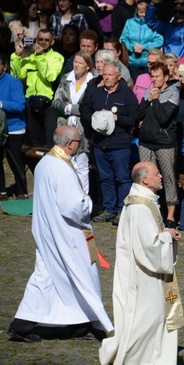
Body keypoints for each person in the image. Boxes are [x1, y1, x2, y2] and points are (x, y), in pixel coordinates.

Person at [7, 126, 113, 342]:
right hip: (67, 234)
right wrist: (88, 200)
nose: (79, 144)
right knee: (83, 275)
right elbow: (73, 207)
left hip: (48, 230)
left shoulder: (45, 162)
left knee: (46, 276)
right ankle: (97, 322)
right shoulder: (62, 169)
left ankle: (29, 323)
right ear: (70, 144)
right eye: (77, 141)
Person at [99, 161, 183, 365]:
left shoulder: (145, 201)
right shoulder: (139, 206)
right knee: (147, 318)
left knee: (154, 318)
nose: (161, 177)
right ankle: (129, 360)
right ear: (145, 179)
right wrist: (168, 236)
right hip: (142, 273)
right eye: (157, 174)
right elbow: (148, 246)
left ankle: (151, 362)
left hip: (147, 271)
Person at [82, 61, 139, 224]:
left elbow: (133, 119)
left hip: (119, 145)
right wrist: (95, 118)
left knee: (122, 178)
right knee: (105, 178)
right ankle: (109, 209)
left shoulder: (127, 95)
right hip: (99, 144)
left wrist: (115, 118)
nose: (106, 77)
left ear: (119, 77)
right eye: (104, 74)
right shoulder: (96, 93)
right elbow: (85, 110)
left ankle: (123, 210)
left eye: (110, 75)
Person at [134, 61, 180, 228]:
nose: (154, 79)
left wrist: (155, 100)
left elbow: (163, 118)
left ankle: (171, 216)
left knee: (168, 177)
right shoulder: (149, 91)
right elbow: (137, 116)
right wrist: (147, 100)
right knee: (147, 178)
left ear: (166, 77)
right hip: (146, 141)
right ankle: (151, 211)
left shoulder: (173, 93)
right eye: (152, 76)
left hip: (165, 142)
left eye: (157, 76)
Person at [10, 29, 64, 148]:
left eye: (47, 40)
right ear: (35, 40)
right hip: (32, 101)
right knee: (35, 143)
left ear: (52, 42)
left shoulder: (57, 57)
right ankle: (36, 166)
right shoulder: (30, 58)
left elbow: (50, 77)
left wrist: (40, 57)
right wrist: (16, 56)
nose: (43, 42)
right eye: (40, 39)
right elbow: (16, 77)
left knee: (50, 142)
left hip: (49, 103)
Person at [49, 51, 95, 190]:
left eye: (80, 63)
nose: (76, 65)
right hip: (65, 127)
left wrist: (71, 107)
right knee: (65, 164)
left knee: (81, 165)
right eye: (75, 61)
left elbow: (90, 107)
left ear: (87, 66)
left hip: (83, 130)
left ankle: (83, 200)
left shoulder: (93, 82)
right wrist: (68, 108)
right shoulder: (65, 79)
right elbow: (56, 102)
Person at [0, 54, 28, 200]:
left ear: (4, 66)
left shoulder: (14, 82)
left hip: (14, 127)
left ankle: (22, 191)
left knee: (15, 160)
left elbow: (20, 105)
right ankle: (2, 191)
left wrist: (2, 104)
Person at [120, 0, 164, 80]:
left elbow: (159, 40)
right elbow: (123, 39)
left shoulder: (152, 24)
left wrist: (144, 47)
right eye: (141, 12)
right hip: (132, 63)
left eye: (145, 12)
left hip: (149, 64)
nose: (143, 15)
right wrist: (132, 47)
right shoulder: (129, 23)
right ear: (136, 11)